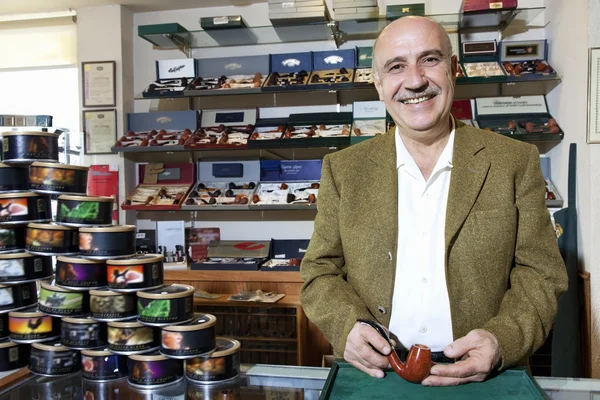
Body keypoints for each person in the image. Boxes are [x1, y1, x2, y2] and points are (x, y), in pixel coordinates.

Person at [300, 16, 567, 386]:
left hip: (484, 376)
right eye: (396, 67)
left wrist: (502, 340)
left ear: (453, 69)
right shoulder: (344, 170)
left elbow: (541, 273)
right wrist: (347, 327)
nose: (414, 80)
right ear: (378, 85)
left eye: (429, 59)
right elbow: (319, 271)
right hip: (378, 373)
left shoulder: (513, 161)